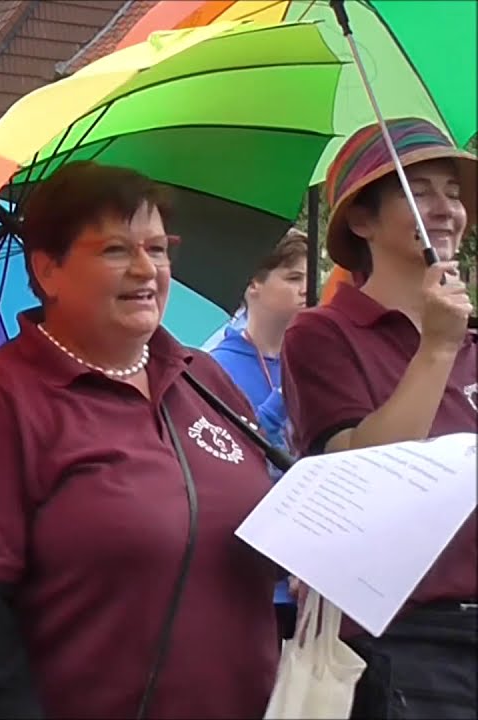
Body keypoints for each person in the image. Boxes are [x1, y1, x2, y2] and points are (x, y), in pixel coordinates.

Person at [0, 161, 279, 718]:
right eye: (115, 250)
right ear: (49, 270)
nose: (146, 270)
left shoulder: (202, 377)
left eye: (157, 249)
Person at [280, 117, 476, 720]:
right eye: (418, 192)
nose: (445, 208)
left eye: (452, 190)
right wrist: (436, 349)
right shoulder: (324, 335)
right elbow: (362, 478)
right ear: (361, 221)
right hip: (407, 645)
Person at [210, 228, 308, 640]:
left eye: (310, 278)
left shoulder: (321, 358)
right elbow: (227, 462)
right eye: (293, 278)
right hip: (253, 584)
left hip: (312, 578)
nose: (308, 290)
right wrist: (286, 394)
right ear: (253, 282)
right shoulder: (214, 367)